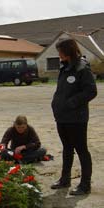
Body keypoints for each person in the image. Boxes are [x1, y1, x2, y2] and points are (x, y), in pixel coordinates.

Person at [51, 38, 97, 195]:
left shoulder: (82, 68)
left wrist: (71, 103)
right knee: (67, 149)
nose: (58, 54)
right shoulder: (65, 67)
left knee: (81, 150)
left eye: (60, 51)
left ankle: (85, 185)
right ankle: (65, 180)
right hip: (62, 117)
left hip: (76, 118)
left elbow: (91, 91)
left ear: (67, 51)